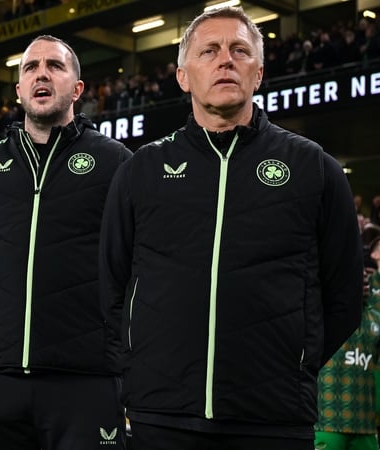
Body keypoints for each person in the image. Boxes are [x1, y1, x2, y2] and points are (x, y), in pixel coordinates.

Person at [99, 7, 364, 449]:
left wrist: (295, 363)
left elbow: (344, 297)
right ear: (183, 76)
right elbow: (111, 284)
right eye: (210, 50)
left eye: (239, 50)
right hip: (162, 415)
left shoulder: (313, 167)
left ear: (258, 73)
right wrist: (135, 369)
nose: (226, 59)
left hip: (274, 418)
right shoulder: (141, 169)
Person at [0, 35, 132, 450]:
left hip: (84, 379)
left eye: (55, 65)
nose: (41, 73)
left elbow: (133, 263)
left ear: (77, 88)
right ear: (18, 90)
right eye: (31, 68)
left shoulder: (116, 162)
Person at [314, 235, 380, 450]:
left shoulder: (374, 317)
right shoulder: (320, 312)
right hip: (327, 422)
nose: (361, 278)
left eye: (363, 274)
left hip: (365, 425)